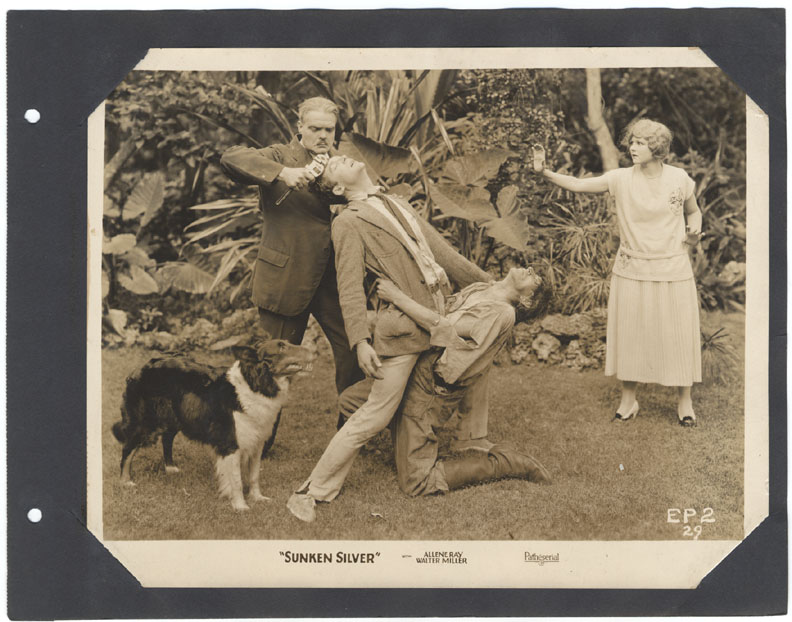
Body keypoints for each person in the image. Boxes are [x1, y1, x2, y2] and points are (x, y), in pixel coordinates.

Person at [287, 154, 495, 522]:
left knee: (479, 353)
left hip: (439, 317)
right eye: (334, 166)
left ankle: (471, 443)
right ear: (339, 188)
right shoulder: (347, 222)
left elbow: (444, 254)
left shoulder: (396, 202)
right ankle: (312, 490)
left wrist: (493, 286)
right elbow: (350, 287)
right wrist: (359, 342)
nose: (341, 156)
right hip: (402, 330)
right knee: (375, 415)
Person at [533, 118, 703, 426]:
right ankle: (628, 400)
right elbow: (578, 184)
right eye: (632, 142)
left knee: (677, 334)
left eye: (640, 143)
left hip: (673, 268)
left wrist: (694, 232)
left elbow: (693, 211)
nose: (632, 148)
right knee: (631, 335)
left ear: (657, 148)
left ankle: (684, 402)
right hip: (631, 269)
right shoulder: (621, 178)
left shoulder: (679, 178)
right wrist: (544, 172)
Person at [334, 268, 553, 500]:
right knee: (349, 402)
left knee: (416, 483)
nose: (530, 270)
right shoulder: (483, 288)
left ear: (527, 300)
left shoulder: (503, 313)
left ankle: (504, 464)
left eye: (535, 278)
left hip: (429, 390)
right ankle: (405, 432)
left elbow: (443, 326)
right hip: (414, 364)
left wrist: (397, 297)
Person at [220, 97, 364, 428]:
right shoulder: (278, 156)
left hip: (331, 279)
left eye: (329, 130)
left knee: (354, 350)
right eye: (315, 128)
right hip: (285, 277)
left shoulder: (340, 163)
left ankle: (351, 432)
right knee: (268, 364)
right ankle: (255, 437)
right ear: (300, 127)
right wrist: (284, 173)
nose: (323, 135)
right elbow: (230, 158)